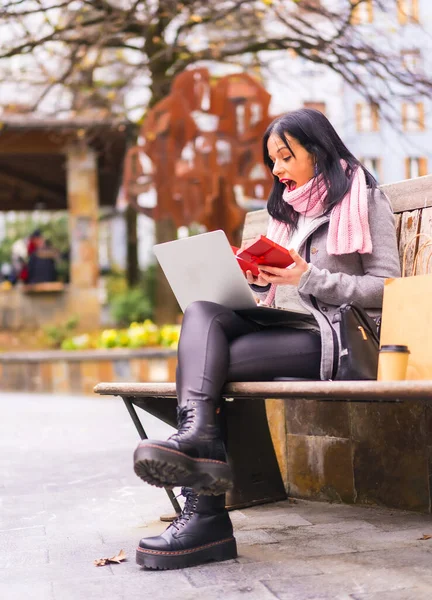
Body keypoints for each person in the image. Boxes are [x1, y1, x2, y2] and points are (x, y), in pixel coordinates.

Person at [132, 108, 401, 570]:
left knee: (210, 367)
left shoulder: (363, 198)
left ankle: (204, 509)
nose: (276, 170)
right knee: (202, 311)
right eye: (271, 160)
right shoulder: (285, 213)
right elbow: (278, 290)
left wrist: (307, 276)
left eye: (284, 156)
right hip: (281, 325)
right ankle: (198, 443)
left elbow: (387, 287)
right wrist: (253, 280)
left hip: (335, 336)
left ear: (317, 152)